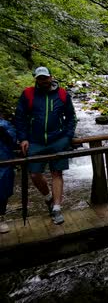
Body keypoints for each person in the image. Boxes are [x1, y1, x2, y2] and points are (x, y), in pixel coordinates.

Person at [14, 67, 77, 225]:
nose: (43, 81)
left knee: (57, 173)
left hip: (58, 140)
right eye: (40, 78)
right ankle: (48, 198)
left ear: (51, 77)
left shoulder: (62, 94)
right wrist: (23, 139)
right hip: (35, 141)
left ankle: (56, 208)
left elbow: (71, 117)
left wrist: (68, 137)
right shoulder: (28, 94)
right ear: (36, 79)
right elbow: (20, 118)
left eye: (45, 78)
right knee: (34, 174)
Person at [0, 115, 16, 233]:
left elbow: (13, 141)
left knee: (3, 191)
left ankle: (1, 218)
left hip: (4, 162)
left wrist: (3, 133)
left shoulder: (5, 125)